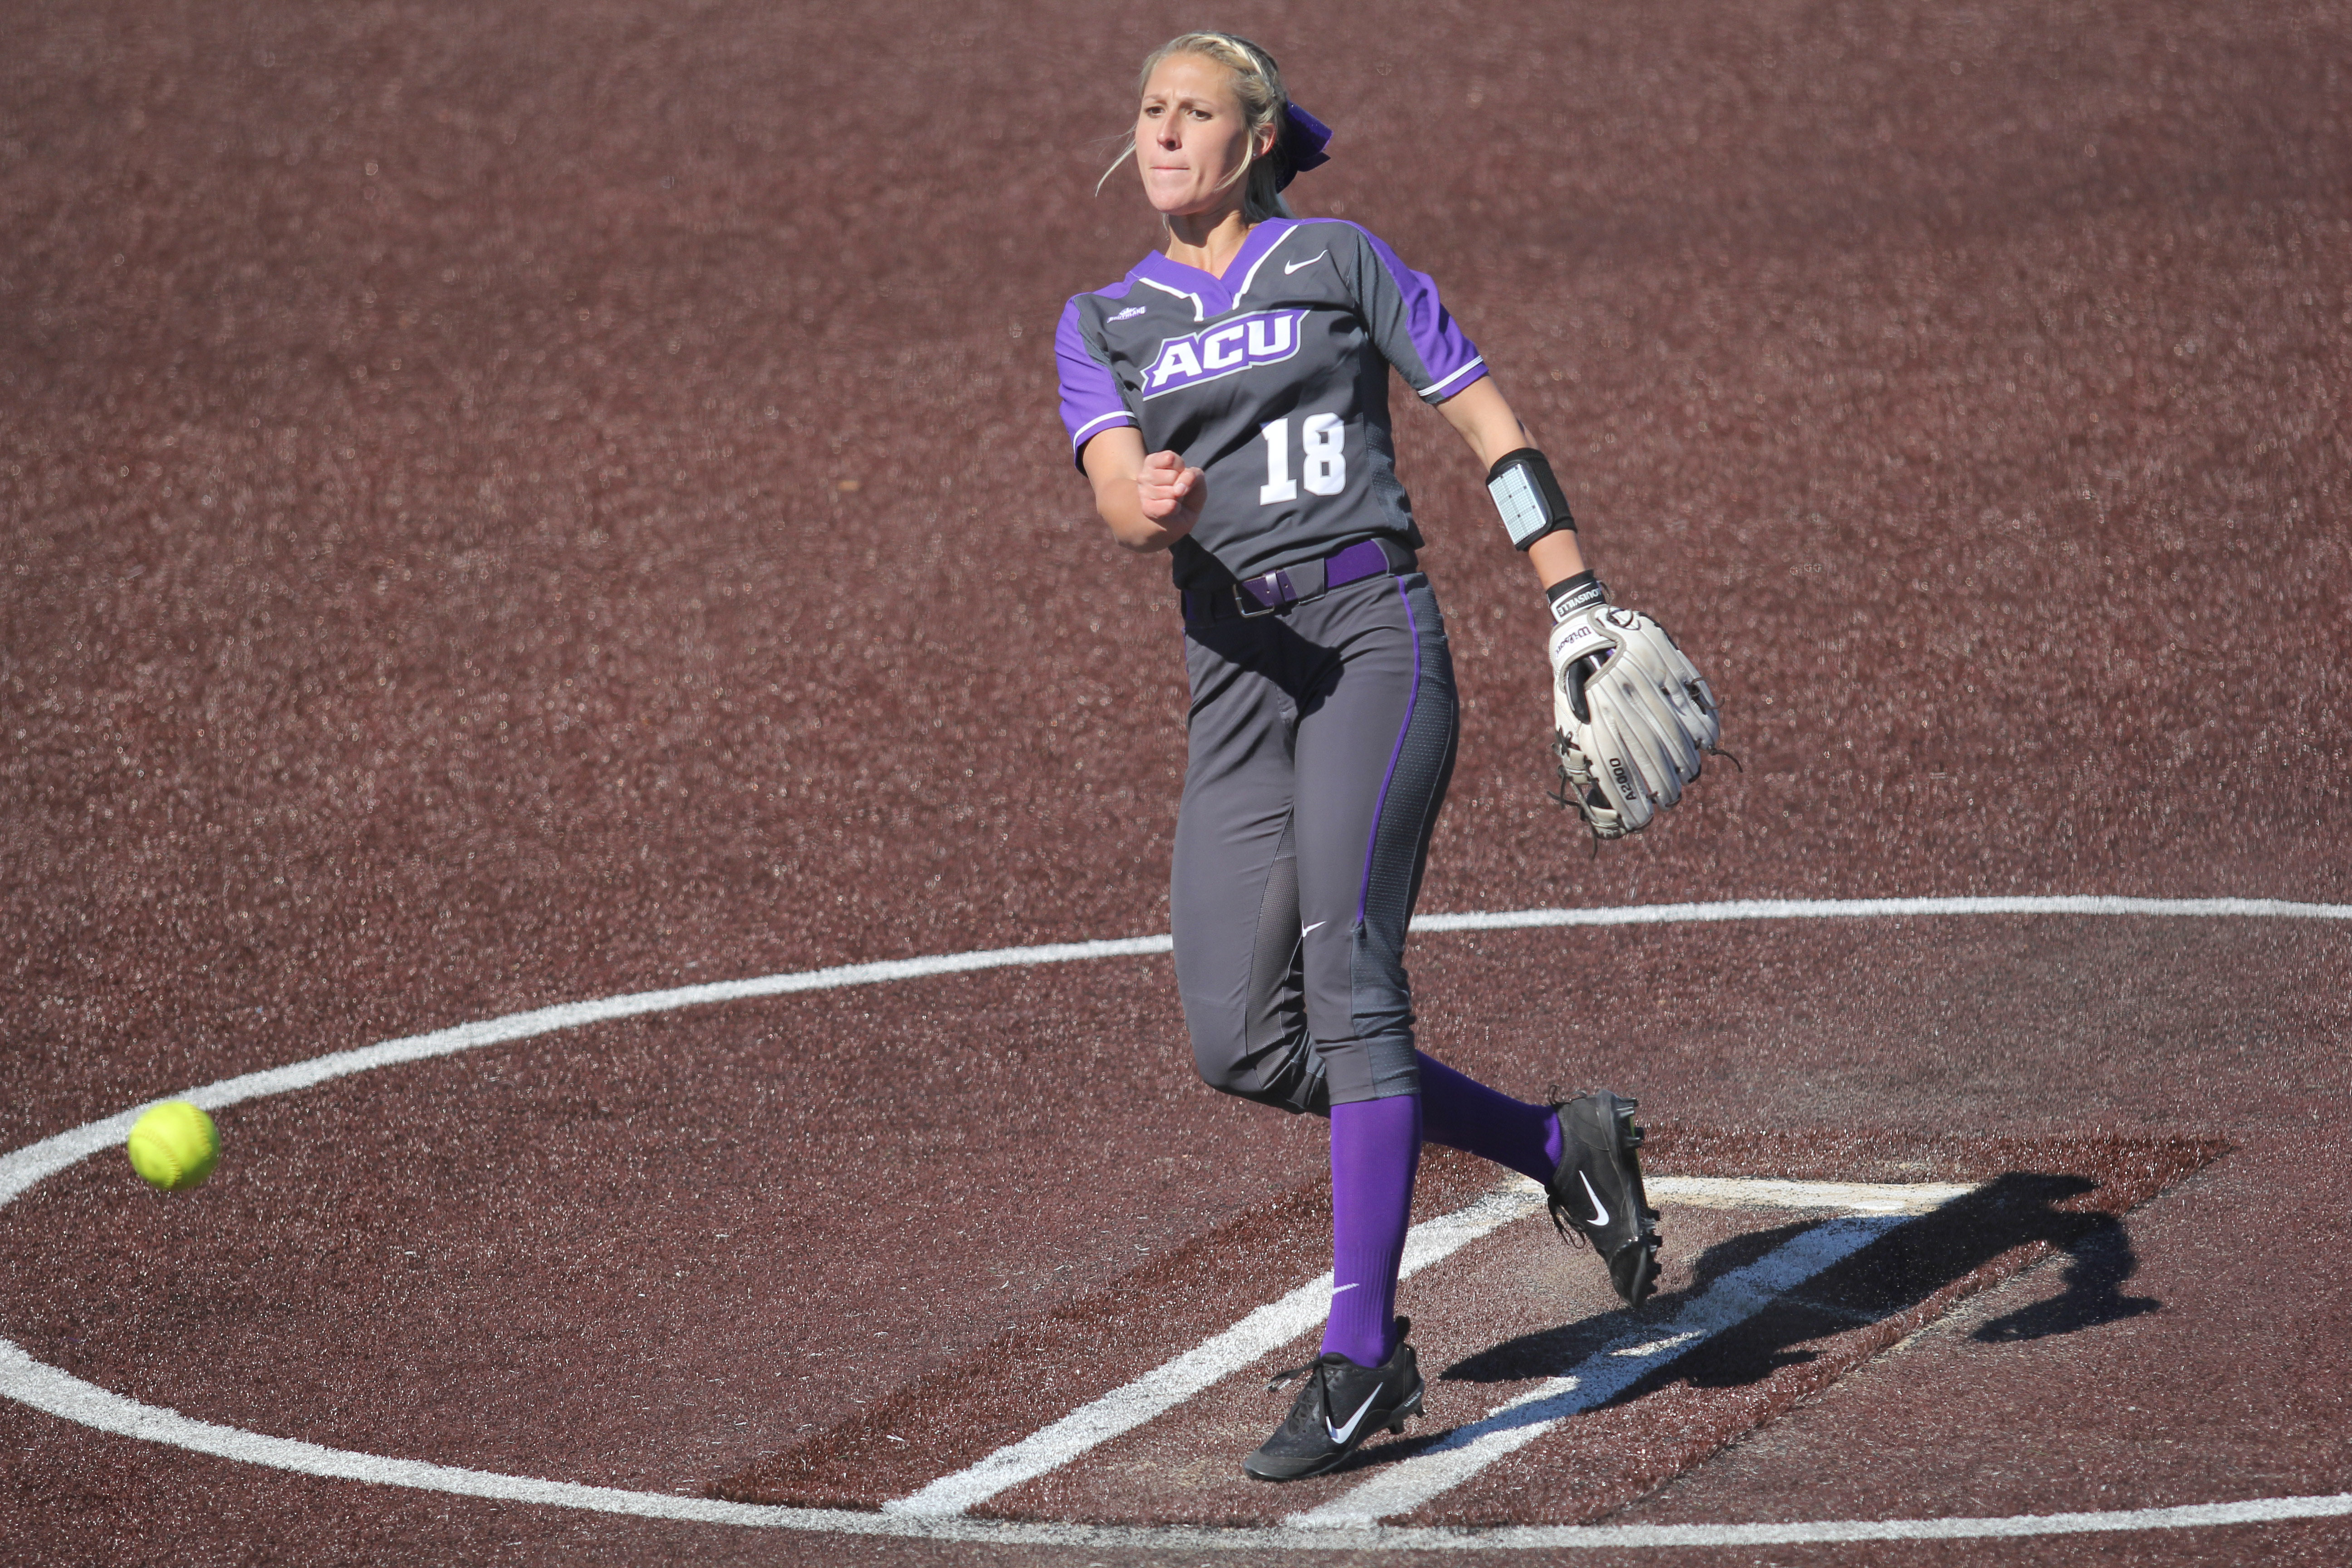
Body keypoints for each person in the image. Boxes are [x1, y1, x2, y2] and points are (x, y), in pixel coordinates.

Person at [1053, 32, 1664, 1483]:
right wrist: (1147, 497)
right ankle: (1557, 1146)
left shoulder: (1338, 260)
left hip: (1371, 644)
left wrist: (1571, 593)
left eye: (1195, 113)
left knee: (1350, 983)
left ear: (1257, 137)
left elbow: (1482, 414)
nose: (1164, 134)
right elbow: (1117, 511)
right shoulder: (1105, 318)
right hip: (1239, 685)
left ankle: (1360, 1351)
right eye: (1149, 112)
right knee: (1242, 1040)